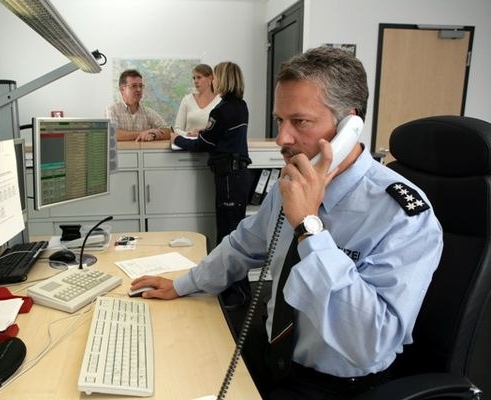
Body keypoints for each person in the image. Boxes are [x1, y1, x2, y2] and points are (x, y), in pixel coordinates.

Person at [132, 46, 443, 399]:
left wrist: (310, 227)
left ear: (349, 126)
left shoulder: (402, 215)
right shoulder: (294, 180)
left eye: (300, 122)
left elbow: (369, 343)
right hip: (272, 358)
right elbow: (242, 245)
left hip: (338, 388)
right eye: (281, 120)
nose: (283, 139)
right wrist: (184, 284)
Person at [171, 61, 253, 309]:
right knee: (234, 234)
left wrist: (178, 139)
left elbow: (202, 145)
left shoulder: (222, 110)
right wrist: (203, 133)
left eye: (214, 77)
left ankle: (236, 294)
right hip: (237, 175)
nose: (212, 81)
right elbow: (217, 137)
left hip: (228, 176)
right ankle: (238, 290)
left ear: (222, 79)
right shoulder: (240, 106)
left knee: (228, 236)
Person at [106, 69, 171, 142]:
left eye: (140, 86)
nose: (139, 89)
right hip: (122, 153)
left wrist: (153, 134)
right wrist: (145, 133)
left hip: (143, 153)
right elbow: (114, 134)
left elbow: (168, 131)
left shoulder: (148, 112)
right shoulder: (112, 110)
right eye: (133, 86)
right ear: (122, 89)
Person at [173, 64, 221, 137]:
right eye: (194, 78)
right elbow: (177, 129)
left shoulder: (220, 101)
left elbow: (222, 131)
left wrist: (202, 135)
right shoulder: (187, 100)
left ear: (210, 79)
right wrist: (188, 134)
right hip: (188, 146)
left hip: (210, 147)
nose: (195, 81)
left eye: (199, 77)